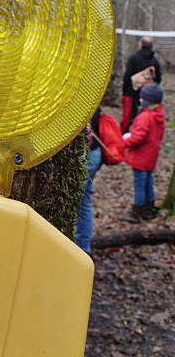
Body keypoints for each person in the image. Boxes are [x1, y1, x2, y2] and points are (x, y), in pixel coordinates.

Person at [120, 83, 165, 223]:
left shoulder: (145, 117)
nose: (140, 100)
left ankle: (136, 212)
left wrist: (121, 143)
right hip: (151, 157)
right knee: (148, 182)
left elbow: (137, 138)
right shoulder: (159, 115)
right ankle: (148, 210)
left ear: (147, 100)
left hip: (140, 157)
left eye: (142, 98)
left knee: (140, 183)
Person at [74, 107, 102, 252]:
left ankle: (79, 247)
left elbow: (87, 136)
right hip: (94, 155)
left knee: (76, 202)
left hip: (88, 157)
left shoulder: (85, 101)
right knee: (83, 201)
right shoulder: (93, 99)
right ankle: (83, 246)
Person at [121, 37, 161, 132]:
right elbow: (158, 79)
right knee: (144, 118)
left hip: (131, 93)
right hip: (147, 96)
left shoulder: (133, 58)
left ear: (141, 45)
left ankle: (125, 136)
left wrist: (125, 91)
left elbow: (127, 76)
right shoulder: (155, 61)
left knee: (129, 117)